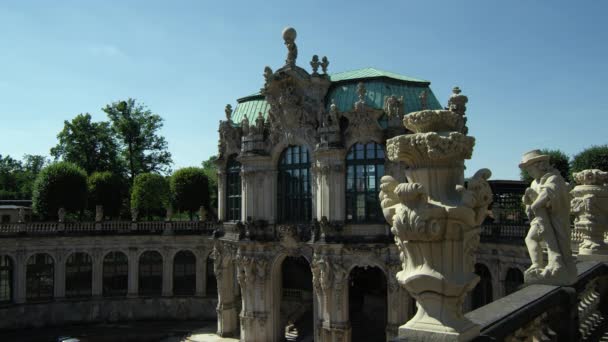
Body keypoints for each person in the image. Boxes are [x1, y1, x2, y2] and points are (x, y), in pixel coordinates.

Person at [519, 150, 576, 285]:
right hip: (540, 218)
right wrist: (527, 199)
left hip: (555, 218)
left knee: (556, 244)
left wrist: (536, 204)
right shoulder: (535, 182)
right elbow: (530, 198)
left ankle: (557, 265)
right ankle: (536, 265)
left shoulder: (553, 178)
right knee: (530, 238)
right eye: (526, 169)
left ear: (540, 165)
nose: (528, 172)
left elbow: (548, 192)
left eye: (529, 168)